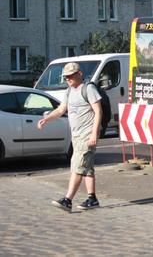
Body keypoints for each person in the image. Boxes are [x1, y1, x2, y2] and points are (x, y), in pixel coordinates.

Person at [38, 62, 102, 211]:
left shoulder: (89, 89)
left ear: (79, 74)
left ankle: (67, 200)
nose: (68, 79)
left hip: (87, 135)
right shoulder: (69, 91)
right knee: (87, 168)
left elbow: (98, 111)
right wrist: (46, 119)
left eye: (70, 76)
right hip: (77, 135)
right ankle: (92, 199)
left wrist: (94, 133)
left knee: (77, 167)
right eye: (65, 77)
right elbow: (61, 110)